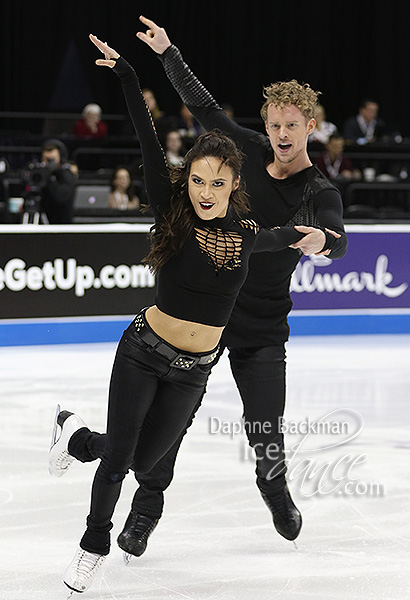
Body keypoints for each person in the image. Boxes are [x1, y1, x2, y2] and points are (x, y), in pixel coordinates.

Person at [50, 34, 311, 595]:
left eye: (219, 182)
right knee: (119, 462)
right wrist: (125, 74)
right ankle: (92, 544)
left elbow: (285, 236)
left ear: (236, 185)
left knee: (143, 459)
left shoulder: (245, 232)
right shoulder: (170, 208)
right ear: (186, 179)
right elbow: (147, 132)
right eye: (197, 180)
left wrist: (319, 238)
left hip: (193, 370)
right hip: (143, 353)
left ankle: (74, 437)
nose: (206, 191)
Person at [38, 139, 76, 223]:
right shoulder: (39, 175)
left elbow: (62, 197)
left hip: (60, 221)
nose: (48, 163)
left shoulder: (66, 175)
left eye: (52, 160)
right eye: (46, 160)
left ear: (61, 158)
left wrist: (50, 179)